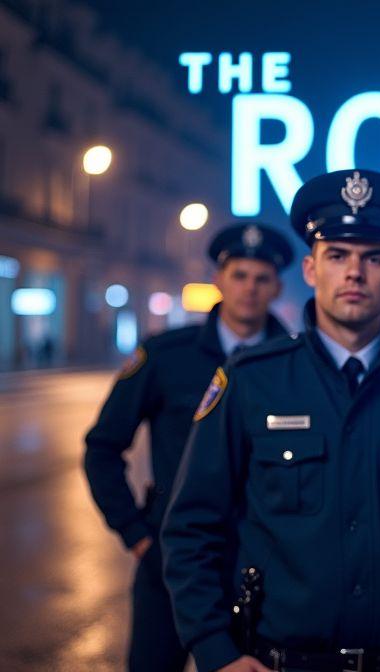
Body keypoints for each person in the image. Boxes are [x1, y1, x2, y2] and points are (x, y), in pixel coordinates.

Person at [161, 169, 380, 672]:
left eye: (373, 258)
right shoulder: (250, 381)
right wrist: (214, 650)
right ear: (311, 269)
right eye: (337, 255)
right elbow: (191, 527)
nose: (354, 273)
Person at [84, 222, 293, 672]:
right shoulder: (166, 355)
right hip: (171, 562)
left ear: (277, 286)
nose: (250, 289)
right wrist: (137, 535)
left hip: (262, 567)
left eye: (262, 278)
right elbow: (102, 447)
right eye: (240, 275)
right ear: (219, 279)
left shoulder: (294, 362)